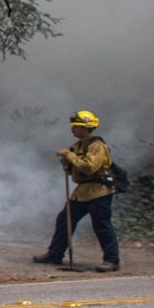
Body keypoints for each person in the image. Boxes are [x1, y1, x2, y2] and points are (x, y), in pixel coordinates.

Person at [34, 110, 121, 272]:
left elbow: (89, 167)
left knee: (102, 225)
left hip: (98, 192)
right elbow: (73, 171)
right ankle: (55, 254)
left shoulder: (97, 146)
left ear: (86, 128)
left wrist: (69, 156)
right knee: (64, 220)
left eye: (77, 126)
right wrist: (66, 163)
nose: (73, 129)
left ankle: (112, 260)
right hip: (82, 192)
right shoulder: (77, 146)